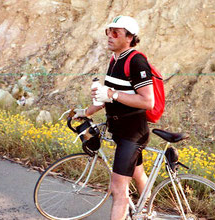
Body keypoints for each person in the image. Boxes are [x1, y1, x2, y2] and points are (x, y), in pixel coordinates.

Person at [73, 15, 154, 220]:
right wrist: (86, 111)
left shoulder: (136, 61)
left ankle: (140, 212)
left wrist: (113, 95)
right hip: (120, 131)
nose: (109, 36)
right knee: (137, 173)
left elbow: (147, 101)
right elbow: (108, 95)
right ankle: (147, 212)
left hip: (133, 134)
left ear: (129, 37)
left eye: (115, 32)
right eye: (108, 31)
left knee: (118, 189)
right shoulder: (115, 59)